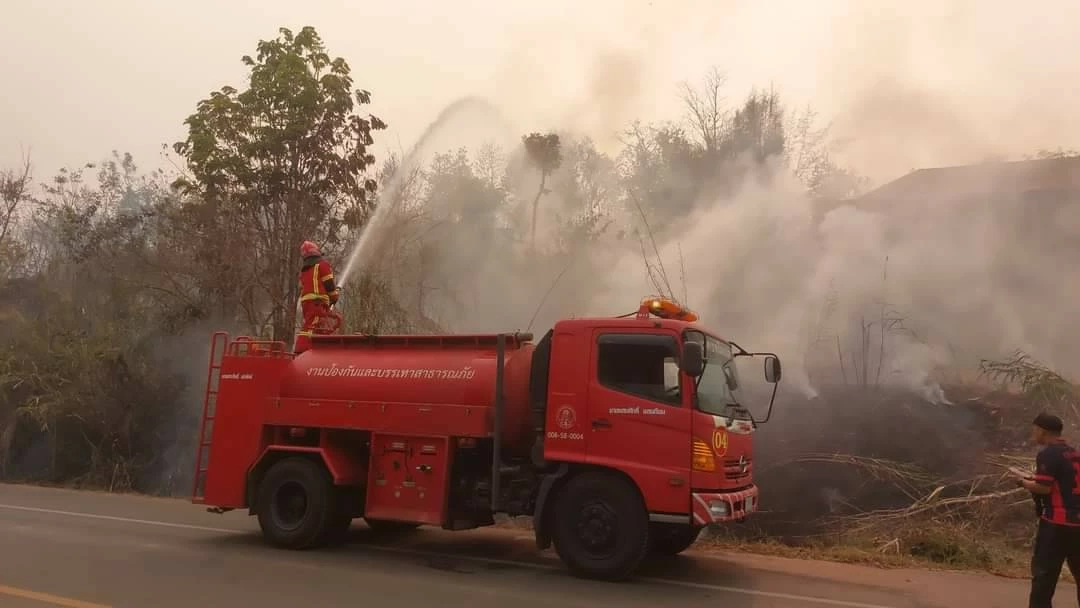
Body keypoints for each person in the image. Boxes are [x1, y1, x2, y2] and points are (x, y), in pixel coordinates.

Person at [1011, 412, 1080, 608]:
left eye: (1034, 429)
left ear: (1042, 430)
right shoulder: (1074, 453)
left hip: (1056, 525)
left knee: (1044, 576)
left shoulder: (1047, 453)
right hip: (1078, 524)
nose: (1033, 433)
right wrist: (1032, 478)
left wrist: (1021, 481)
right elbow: (1062, 483)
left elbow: (1044, 488)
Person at [294, 240, 340, 354]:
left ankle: (318, 350)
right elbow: (329, 284)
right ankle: (300, 350)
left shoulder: (305, 270)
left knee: (318, 326)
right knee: (310, 326)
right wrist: (334, 297)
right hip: (317, 302)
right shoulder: (322, 265)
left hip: (308, 303)